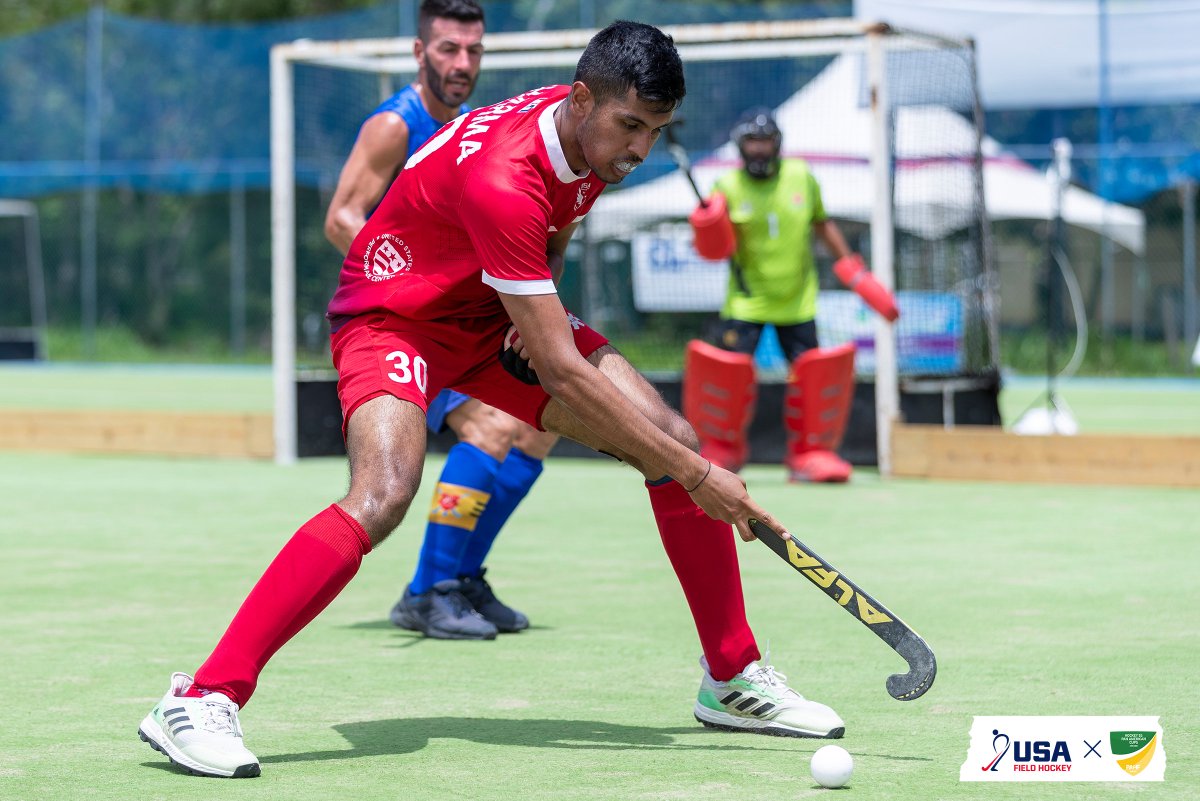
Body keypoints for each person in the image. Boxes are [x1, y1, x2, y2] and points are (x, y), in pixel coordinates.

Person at [137, 22, 844, 780]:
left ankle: (731, 675)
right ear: (581, 101)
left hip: (487, 311)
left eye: (657, 130)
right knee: (383, 492)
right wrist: (703, 478)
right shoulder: (505, 176)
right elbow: (566, 376)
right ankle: (202, 695)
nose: (640, 148)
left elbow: (563, 225)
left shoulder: (592, 139)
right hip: (392, 316)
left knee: (669, 432)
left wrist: (540, 305)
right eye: (631, 127)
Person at [324, 0, 555, 640]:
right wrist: (410, 280)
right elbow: (341, 216)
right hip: (403, 321)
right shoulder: (395, 125)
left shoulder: (471, 124)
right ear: (420, 51)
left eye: (474, 51)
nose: (463, 63)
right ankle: (427, 590)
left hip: (459, 318)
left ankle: (462, 575)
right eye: (449, 49)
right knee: (487, 426)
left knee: (535, 432)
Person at [684, 107, 897, 483]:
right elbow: (711, 248)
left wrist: (853, 269)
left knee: (812, 377)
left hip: (797, 302)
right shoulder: (727, 186)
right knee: (728, 377)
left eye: (766, 141)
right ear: (740, 147)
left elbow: (822, 222)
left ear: (778, 144)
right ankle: (723, 450)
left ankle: (810, 455)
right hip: (746, 303)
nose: (760, 150)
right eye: (752, 142)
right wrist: (705, 226)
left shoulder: (801, 176)